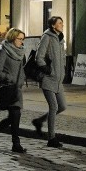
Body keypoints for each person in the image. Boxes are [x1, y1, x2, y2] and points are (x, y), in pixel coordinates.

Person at [0, 28, 27, 153]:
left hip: (17, 88)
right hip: (8, 87)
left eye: (22, 39)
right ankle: (16, 144)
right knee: (15, 115)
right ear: (12, 38)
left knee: (14, 116)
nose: (21, 42)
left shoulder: (21, 52)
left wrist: (21, 79)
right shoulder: (4, 51)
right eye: (19, 39)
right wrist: (9, 77)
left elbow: (22, 69)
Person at [31, 16, 68, 148]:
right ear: (53, 25)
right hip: (48, 79)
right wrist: (49, 70)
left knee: (62, 106)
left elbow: (61, 58)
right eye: (59, 23)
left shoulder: (60, 38)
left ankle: (39, 121)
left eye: (62, 23)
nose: (62, 25)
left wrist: (62, 72)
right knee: (54, 107)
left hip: (58, 80)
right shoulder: (47, 37)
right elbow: (39, 57)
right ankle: (51, 138)